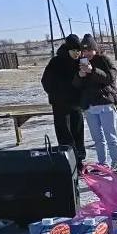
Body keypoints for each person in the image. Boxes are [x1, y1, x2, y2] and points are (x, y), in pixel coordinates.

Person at [75, 34, 117, 170]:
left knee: (110, 135)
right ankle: (102, 163)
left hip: (105, 103)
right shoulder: (80, 63)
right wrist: (80, 76)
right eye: (84, 51)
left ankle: (115, 162)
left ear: (95, 49)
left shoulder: (104, 60)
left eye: (89, 50)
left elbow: (110, 77)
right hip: (90, 105)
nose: (87, 53)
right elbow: (76, 85)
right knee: (97, 138)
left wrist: (93, 71)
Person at [41, 34, 86, 167]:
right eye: (74, 51)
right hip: (61, 105)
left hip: (76, 104)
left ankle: (79, 160)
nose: (77, 53)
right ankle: (68, 161)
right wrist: (59, 94)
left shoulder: (80, 62)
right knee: (65, 134)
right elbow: (46, 82)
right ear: (67, 50)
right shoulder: (56, 62)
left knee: (78, 132)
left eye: (79, 51)